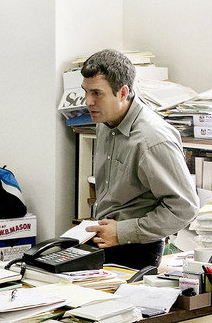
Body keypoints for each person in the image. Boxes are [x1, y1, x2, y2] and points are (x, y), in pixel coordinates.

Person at [81, 49, 199, 269]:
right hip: (105, 237)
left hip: (135, 248)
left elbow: (184, 209)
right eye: (86, 92)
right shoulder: (105, 121)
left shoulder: (152, 139)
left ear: (123, 92)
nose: (88, 101)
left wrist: (122, 232)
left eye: (97, 93)